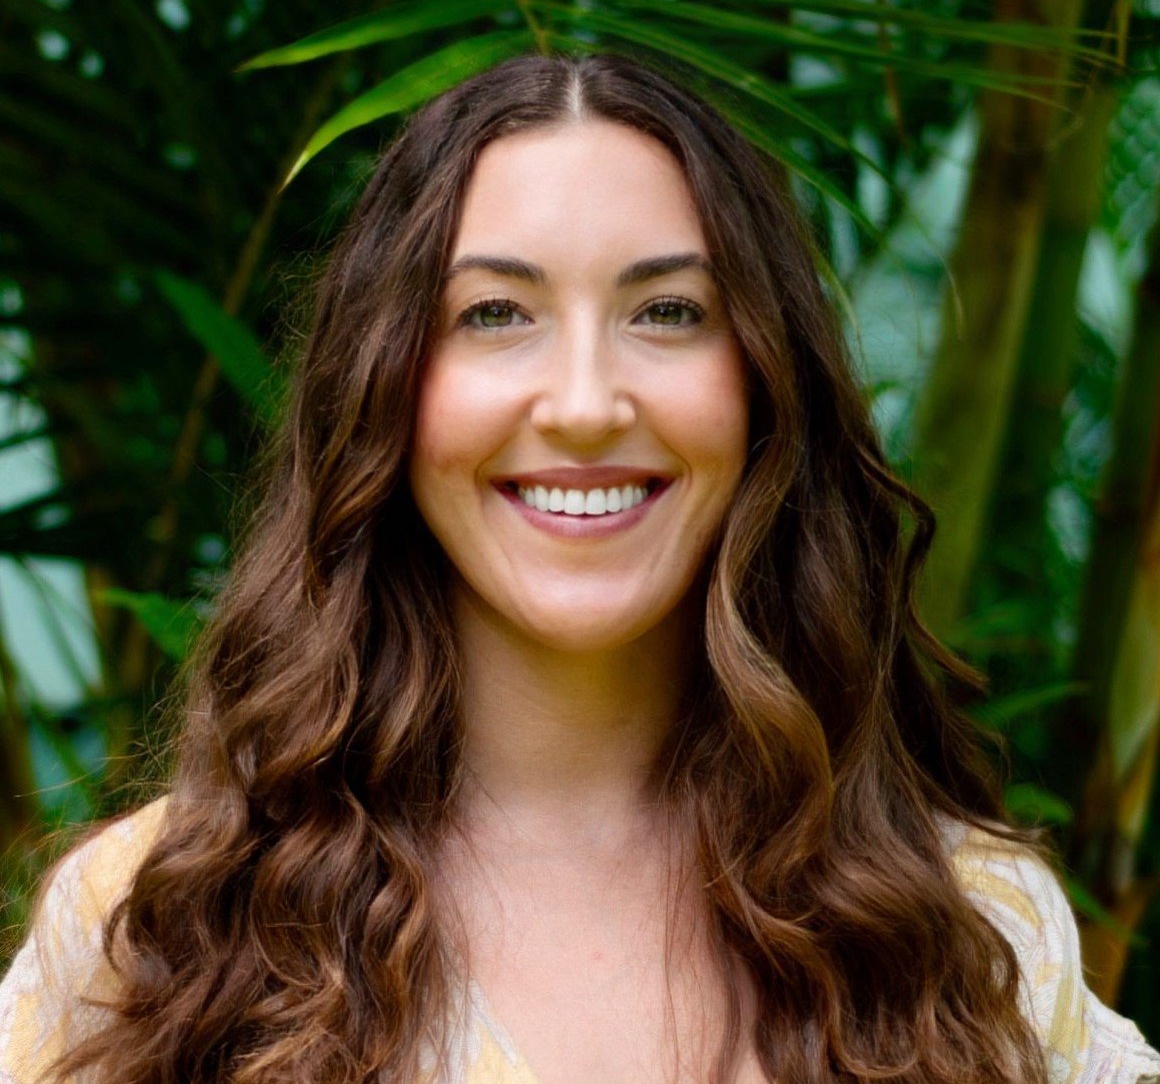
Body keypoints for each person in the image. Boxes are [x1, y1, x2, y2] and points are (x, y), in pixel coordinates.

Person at [0, 52, 1157, 1084]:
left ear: (765, 385)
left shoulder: (972, 935)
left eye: (667, 310)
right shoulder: (152, 932)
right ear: (384, 387)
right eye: (496, 312)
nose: (586, 403)